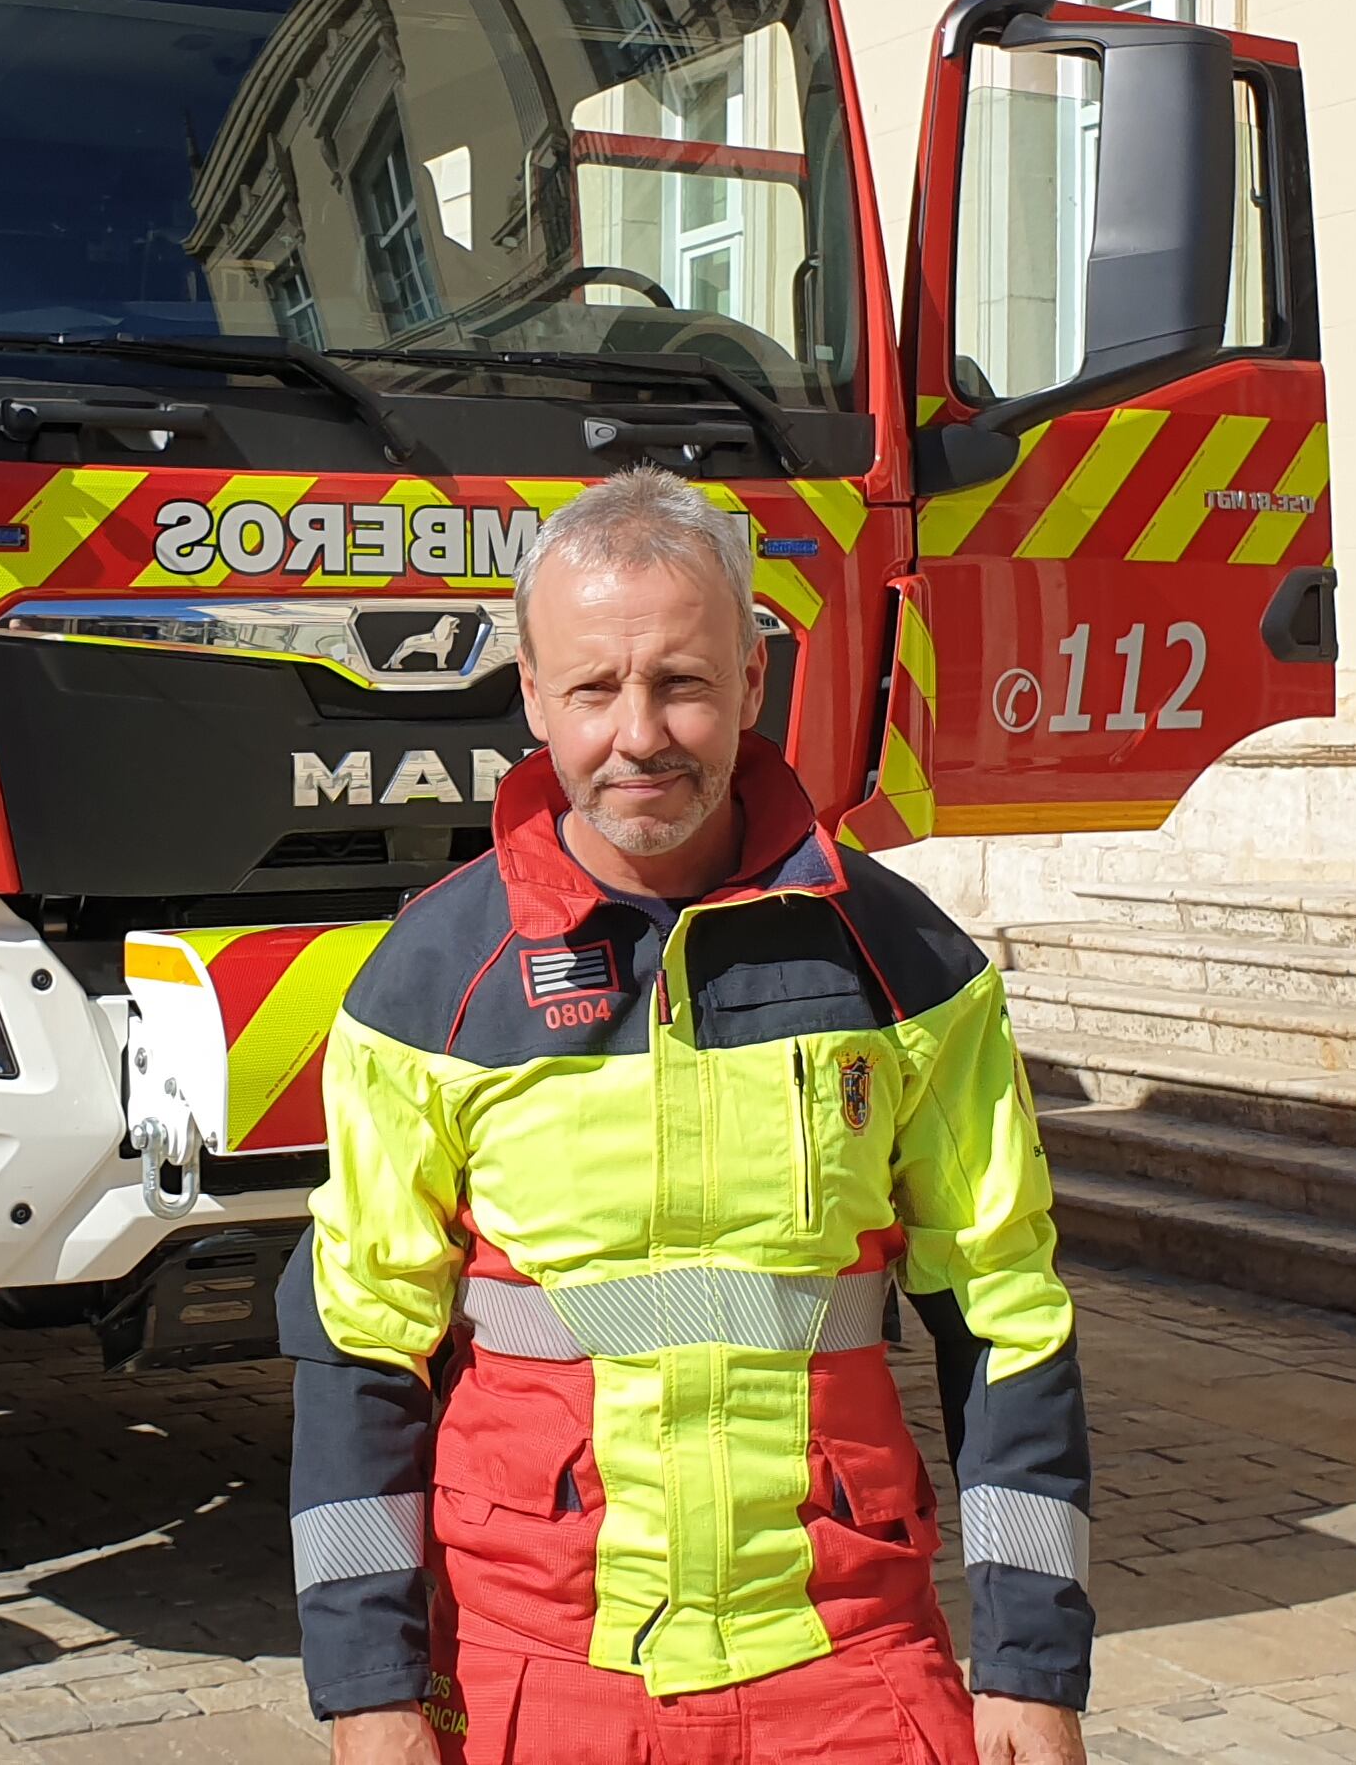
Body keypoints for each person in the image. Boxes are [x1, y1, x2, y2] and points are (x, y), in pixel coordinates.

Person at [292, 467, 1091, 1765]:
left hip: (847, 1660)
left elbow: (1006, 1310)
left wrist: (1031, 1668)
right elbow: (359, 1350)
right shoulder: (429, 986)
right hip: (536, 1672)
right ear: (535, 696)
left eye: (682, 681)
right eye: (596, 688)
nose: (641, 734)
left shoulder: (906, 966)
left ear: (755, 683)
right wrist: (368, 1695)